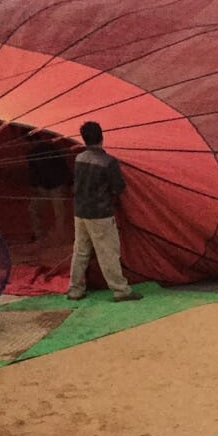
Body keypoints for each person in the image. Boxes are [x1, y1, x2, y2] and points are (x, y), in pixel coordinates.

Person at [66, 121, 142, 302]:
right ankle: (120, 290)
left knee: (81, 251)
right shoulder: (108, 162)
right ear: (102, 136)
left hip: (80, 212)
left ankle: (75, 289)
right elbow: (118, 188)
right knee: (108, 252)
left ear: (83, 139)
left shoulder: (79, 159)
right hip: (100, 214)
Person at [25, 133, 69, 241]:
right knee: (35, 210)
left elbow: (62, 166)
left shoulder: (50, 149)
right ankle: (42, 234)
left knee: (59, 213)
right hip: (44, 187)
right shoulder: (32, 154)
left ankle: (58, 236)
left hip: (54, 186)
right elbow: (33, 172)